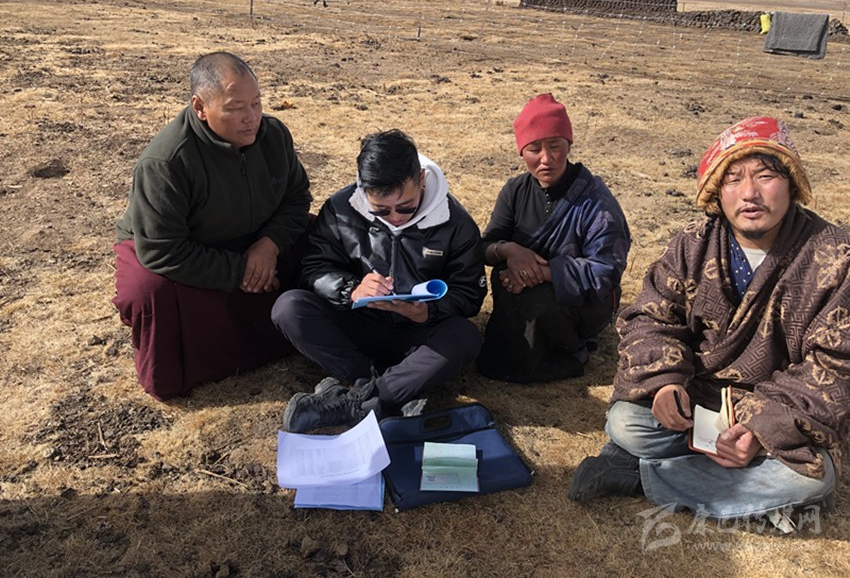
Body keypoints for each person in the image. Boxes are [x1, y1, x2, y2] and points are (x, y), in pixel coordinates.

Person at [568, 117, 850, 529]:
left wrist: (760, 429)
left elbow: (835, 368)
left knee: (814, 479)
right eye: (733, 179)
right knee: (626, 423)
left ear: (792, 184)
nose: (750, 193)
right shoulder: (694, 242)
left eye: (766, 176)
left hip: (778, 412)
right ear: (717, 191)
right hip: (700, 399)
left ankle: (640, 476)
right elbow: (651, 317)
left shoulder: (835, 258)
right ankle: (725, 480)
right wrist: (665, 383)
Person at [113, 52, 312, 401]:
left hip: (258, 240)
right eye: (236, 108)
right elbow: (162, 250)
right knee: (148, 290)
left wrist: (269, 245)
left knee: (324, 236)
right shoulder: (166, 161)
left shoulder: (275, 135)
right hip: (189, 249)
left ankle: (315, 332)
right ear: (200, 107)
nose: (251, 118)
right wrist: (242, 271)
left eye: (256, 103)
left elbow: (296, 198)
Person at [272, 129, 486, 432]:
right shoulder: (341, 209)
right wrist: (351, 290)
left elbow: (470, 293)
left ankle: (357, 401)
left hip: (417, 335)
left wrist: (426, 312)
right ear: (363, 188)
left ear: (422, 179)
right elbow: (313, 269)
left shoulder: (455, 222)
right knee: (289, 307)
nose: (395, 217)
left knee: (464, 337)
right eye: (381, 210)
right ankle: (391, 389)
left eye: (406, 207)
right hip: (357, 324)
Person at [477, 93, 630, 382]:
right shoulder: (514, 191)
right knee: (506, 281)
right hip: (518, 286)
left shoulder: (597, 202)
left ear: (568, 145)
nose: (546, 159)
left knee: (541, 302)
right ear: (521, 152)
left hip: (579, 299)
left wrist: (542, 272)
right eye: (534, 149)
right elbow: (484, 246)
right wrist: (509, 251)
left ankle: (563, 358)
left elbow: (606, 271)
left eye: (555, 146)